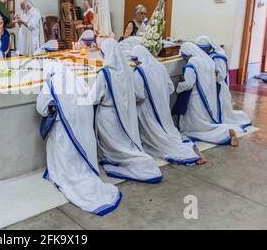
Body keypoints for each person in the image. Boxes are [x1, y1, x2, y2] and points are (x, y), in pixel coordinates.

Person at [36, 61, 122, 216]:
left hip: (63, 130)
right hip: (83, 129)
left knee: (65, 156)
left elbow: (41, 108)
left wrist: (53, 108)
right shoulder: (79, 81)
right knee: (80, 157)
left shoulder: (51, 84)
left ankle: (66, 177)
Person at [90, 39, 162, 183]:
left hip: (108, 115)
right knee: (124, 141)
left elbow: (94, 98)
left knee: (114, 147)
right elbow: (137, 94)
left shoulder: (105, 73)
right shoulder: (128, 70)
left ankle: (117, 159)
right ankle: (132, 159)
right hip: (126, 113)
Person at [131, 45, 205, 165]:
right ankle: (188, 148)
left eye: (135, 59)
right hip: (163, 107)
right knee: (168, 130)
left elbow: (138, 94)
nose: (134, 62)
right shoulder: (160, 66)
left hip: (147, 108)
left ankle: (187, 153)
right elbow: (170, 88)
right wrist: (161, 97)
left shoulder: (140, 71)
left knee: (155, 136)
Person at [176, 42, 239, 146]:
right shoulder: (208, 60)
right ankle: (224, 130)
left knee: (196, 128)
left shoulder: (192, 62)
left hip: (195, 98)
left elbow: (188, 83)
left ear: (187, 54)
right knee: (205, 121)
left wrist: (179, 86)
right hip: (208, 98)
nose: (184, 59)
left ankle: (225, 132)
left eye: (184, 56)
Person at [196, 35, 251, 131]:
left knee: (220, 110)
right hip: (211, 86)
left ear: (210, 47)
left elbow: (221, 76)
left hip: (219, 87)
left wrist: (210, 72)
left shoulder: (219, 57)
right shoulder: (209, 55)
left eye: (203, 49)